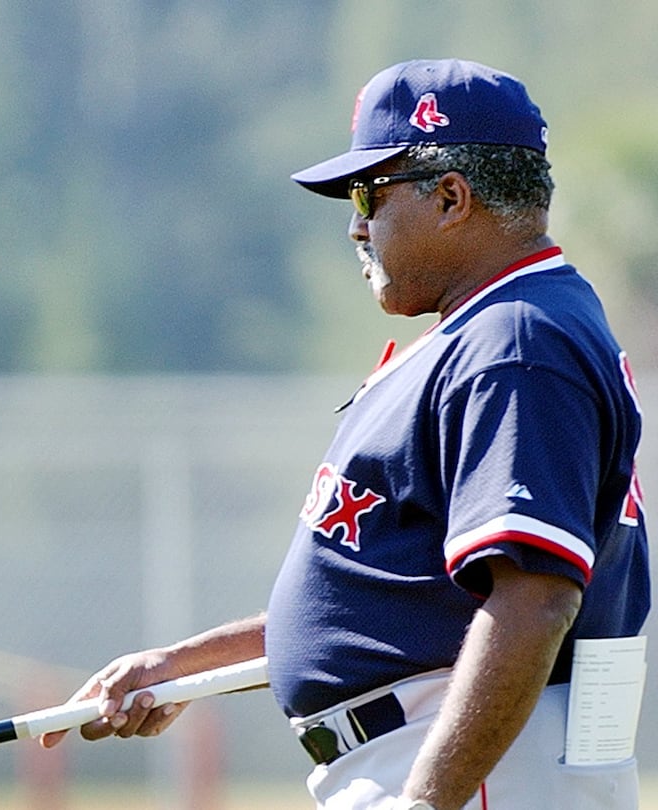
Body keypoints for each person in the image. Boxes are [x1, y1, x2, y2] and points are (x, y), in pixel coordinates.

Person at [39, 59, 649, 810]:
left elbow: (534, 601)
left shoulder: (513, 342)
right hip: (462, 759)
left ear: (452, 197)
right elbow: (398, 602)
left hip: (477, 768)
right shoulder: (492, 331)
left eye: (368, 193)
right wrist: (185, 664)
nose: (356, 225)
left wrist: (426, 802)